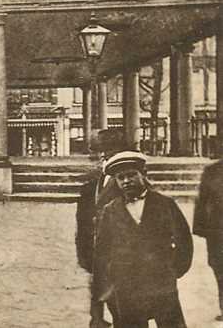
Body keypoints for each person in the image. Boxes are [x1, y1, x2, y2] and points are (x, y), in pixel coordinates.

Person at [93, 151, 193, 328]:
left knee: (171, 324)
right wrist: (111, 280)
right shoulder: (111, 210)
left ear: (144, 175)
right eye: (120, 177)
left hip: (161, 283)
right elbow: (102, 250)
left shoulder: (165, 204)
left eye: (131, 175)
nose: (126, 181)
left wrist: (173, 270)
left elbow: (184, 240)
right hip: (126, 285)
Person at [75, 130, 124, 328]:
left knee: (118, 301)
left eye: (108, 153)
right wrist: (83, 251)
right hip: (95, 252)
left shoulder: (127, 183)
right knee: (97, 293)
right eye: (100, 153)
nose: (103, 157)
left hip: (118, 254)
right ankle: (97, 321)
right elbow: (83, 221)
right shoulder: (90, 186)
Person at [193, 157, 223, 322]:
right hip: (217, 231)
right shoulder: (212, 171)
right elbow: (202, 201)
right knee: (219, 268)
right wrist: (199, 226)